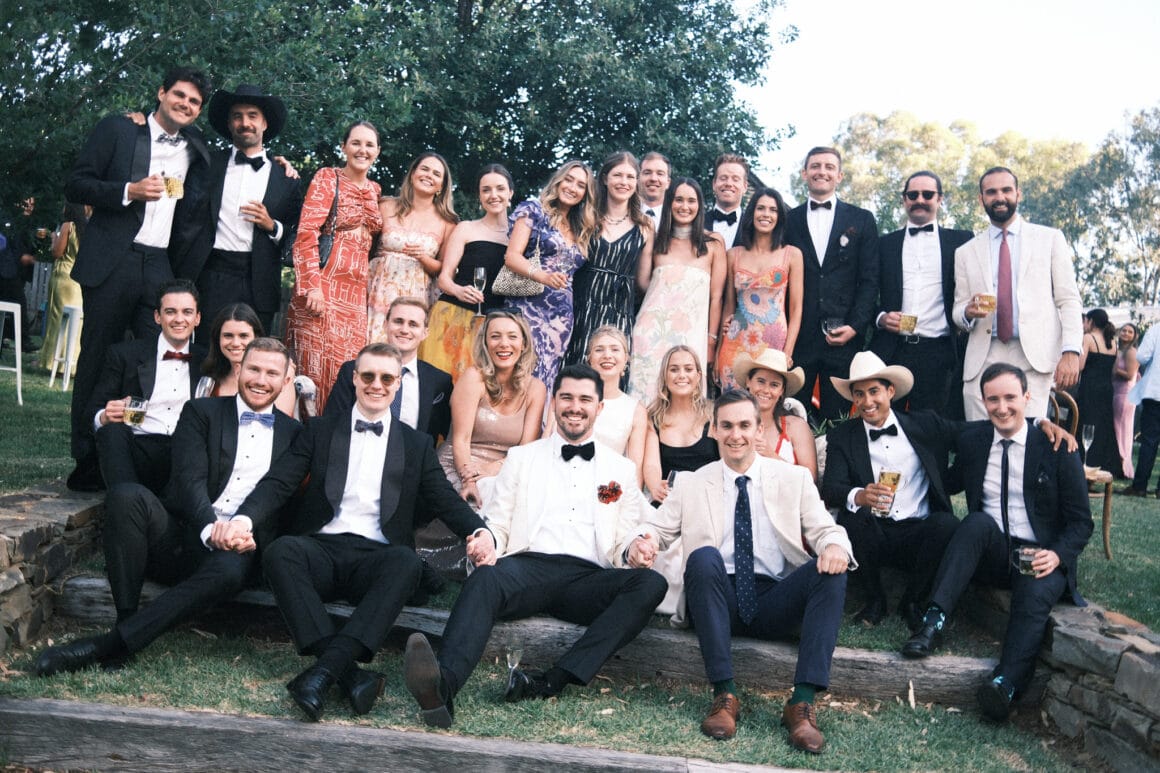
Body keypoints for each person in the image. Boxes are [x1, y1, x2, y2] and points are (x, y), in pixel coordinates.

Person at [235, 342, 495, 721]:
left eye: (387, 378)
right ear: (355, 379)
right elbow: (280, 482)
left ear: (398, 383)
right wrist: (244, 519)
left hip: (377, 560)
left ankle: (322, 674)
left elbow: (443, 498)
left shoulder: (416, 444)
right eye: (368, 376)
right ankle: (350, 675)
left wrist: (481, 531)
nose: (377, 385)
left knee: (406, 563)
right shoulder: (320, 430)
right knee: (280, 552)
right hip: (321, 550)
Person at [403, 364, 667, 728]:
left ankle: (554, 679)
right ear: (554, 403)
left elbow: (627, 533)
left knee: (651, 584)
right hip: (527, 568)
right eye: (567, 398)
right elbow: (498, 523)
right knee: (486, 578)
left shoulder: (618, 470)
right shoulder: (522, 458)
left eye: (585, 399)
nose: (575, 407)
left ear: (599, 408)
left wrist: (633, 549)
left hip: (587, 579)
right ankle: (442, 686)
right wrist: (487, 540)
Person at [34, 338, 301, 676]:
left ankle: (112, 645)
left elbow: (276, 490)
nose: (260, 380)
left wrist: (238, 528)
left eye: (271, 373)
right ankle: (126, 618)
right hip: (184, 533)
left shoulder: (295, 434)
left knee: (230, 572)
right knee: (127, 496)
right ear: (239, 369)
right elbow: (189, 479)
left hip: (237, 550)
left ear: (286, 380)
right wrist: (210, 529)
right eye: (254, 369)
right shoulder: (201, 412)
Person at [621, 390, 853, 753]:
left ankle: (801, 704)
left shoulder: (793, 478)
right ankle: (724, 696)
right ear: (714, 430)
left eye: (745, 425)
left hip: (774, 598)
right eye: (726, 426)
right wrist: (640, 543)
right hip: (716, 598)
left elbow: (827, 530)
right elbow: (656, 529)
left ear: (759, 429)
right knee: (703, 557)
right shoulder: (693, 483)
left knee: (833, 571)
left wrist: (835, 546)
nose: (736, 435)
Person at [902, 363, 1092, 723]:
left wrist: (1057, 555)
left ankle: (1005, 684)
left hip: (1039, 555)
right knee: (975, 523)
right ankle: (933, 623)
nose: (1002, 408)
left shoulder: (1057, 446)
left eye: (1010, 398)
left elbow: (1082, 522)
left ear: (1027, 398)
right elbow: (932, 426)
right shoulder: (974, 439)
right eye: (993, 400)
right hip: (992, 551)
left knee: (1032, 599)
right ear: (983, 402)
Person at [64, 66, 213, 492]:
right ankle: (87, 458)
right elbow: (76, 184)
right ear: (161, 92)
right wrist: (128, 191)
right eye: (179, 95)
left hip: (160, 264)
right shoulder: (119, 129)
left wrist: (281, 164)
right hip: (115, 260)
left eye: (194, 102)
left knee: (160, 359)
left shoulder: (196, 148)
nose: (185, 104)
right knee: (97, 358)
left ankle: (144, 453)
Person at [821, 352, 960, 629]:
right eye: (859, 394)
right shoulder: (843, 436)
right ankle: (875, 600)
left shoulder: (924, 424)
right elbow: (831, 489)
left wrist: (1037, 424)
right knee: (854, 519)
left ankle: (913, 602)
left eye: (874, 391)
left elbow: (970, 433)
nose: (867, 402)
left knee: (946, 524)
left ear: (891, 391)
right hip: (873, 533)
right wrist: (860, 495)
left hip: (916, 530)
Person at [954, 167, 1083, 421]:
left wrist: (1071, 351)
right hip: (983, 358)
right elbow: (958, 310)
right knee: (980, 438)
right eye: (991, 192)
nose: (999, 197)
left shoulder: (1049, 239)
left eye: (1006, 190)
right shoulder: (965, 252)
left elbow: (1068, 300)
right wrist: (967, 312)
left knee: (1028, 438)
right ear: (981, 199)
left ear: (1018, 194)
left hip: (1033, 358)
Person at [172, 84, 302, 336]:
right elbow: (179, 206)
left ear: (265, 123)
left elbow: (298, 235)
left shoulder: (286, 178)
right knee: (204, 350)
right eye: (237, 116)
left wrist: (272, 226)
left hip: (259, 282)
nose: (245, 123)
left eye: (252, 116)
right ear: (229, 124)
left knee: (252, 352)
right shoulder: (205, 164)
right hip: (209, 275)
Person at [284, 121, 383, 415]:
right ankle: (306, 435)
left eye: (369, 145)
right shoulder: (328, 178)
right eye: (356, 143)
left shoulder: (375, 190)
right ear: (344, 147)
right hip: (323, 288)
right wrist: (311, 286)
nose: (362, 150)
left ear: (377, 151)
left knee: (346, 373)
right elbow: (306, 233)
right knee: (313, 375)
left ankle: (335, 439)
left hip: (355, 298)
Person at [785, 146, 879, 422]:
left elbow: (870, 279)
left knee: (838, 421)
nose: (821, 172)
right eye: (815, 166)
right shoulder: (789, 220)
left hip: (843, 337)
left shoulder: (861, 219)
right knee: (792, 414)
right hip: (799, 339)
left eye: (829, 167)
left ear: (840, 175)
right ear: (804, 173)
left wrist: (855, 326)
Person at [871, 171, 973, 415]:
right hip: (893, 348)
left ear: (940, 199)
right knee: (885, 422)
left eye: (927, 194)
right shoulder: (884, 244)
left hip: (938, 352)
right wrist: (881, 318)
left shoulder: (961, 241)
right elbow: (864, 290)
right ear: (904, 199)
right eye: (913, 195)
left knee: (930, 427)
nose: (920, 200)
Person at [89, 279, 206, 493]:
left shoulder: (208, 361)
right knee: (111, 432)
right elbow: (93, 410)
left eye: (187, 312)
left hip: (185, 454)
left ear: (197, 318)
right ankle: (126, 498)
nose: (179, 319)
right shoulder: (125, 354)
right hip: (138, 447)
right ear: (157, 317)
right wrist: (104, 416)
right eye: (170, 312)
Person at [630, 178, 726, 405]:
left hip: (692, 335)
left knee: (686, 400)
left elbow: (717, 298)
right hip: (650, 335)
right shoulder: (656, 240)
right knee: (646, 400)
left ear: (700, 205)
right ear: (669, 203)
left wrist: (712, 341)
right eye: (678, 199)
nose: (685, 206)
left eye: (691, 201)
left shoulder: (713, 243)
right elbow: (643, 285)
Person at [502, 160, 597, 389]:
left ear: (586, 194)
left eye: (580, 185)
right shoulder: (533, 210)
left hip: (561, 317)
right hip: (527, 306)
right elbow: (511, 257)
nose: (572, 188)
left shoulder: (582, 227)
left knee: (546, 377)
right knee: (518, 371)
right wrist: (543, 276)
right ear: (558, 181)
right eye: (569, 180)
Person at [437, 310, 545, 511]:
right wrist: (469, 481)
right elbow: (461, 440)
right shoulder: (473, 378)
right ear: (485, 344)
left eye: (512, 337)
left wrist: (494, 468)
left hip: (503, 471)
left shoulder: (536, 389)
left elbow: (525, 450)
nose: (504, 344)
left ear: (523, 344)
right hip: (459, 466)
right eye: (495, 336)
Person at [564, 151, 654, 379]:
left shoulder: (645, 226)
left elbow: (643, 283)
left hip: (619, 311)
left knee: (613, 375)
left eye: (630, 177)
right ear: (605, 178)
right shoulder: (585, 217)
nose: (624, 182)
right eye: (617, 175)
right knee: (577, 374)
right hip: (581, 308)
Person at [419, 164, 513, 381]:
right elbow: (444, 278)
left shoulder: (519, 236)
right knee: (438, 387)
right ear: (480, 196)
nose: (493, 195)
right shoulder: (466, 228)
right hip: (453, 317)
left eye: (500, 188)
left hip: (492, 327)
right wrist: (458, 291)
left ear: (510, 193)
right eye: (486, 190)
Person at [325, 297, 452, 443]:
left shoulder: (440, 381)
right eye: (398, 321)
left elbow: (451, 436)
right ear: (385, 325)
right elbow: (331, 422)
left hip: (412, 457)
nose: (404, 330)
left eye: (413, 324)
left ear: (425, 333)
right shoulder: (352, 370)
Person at [715, 187, 802, 390]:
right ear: (751, 213)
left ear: (779, 217)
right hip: (735, 344)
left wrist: (788, 351)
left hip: (773, 345)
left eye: (773, 210)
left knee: (765, 400)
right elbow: (728, 306)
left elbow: (796, 309)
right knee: (733, 403)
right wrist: (719, 349)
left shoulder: (792, 255)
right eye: (760, 208)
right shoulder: (733, 254)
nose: (766, 214)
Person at [367, 152, 458, 340]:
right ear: (412, 174)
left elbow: (444, 270)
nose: (429, 175)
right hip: (377, 289)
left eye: (436, 174)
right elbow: (365, 247)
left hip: (416, 295)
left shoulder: (448, 222)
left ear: (441, 186)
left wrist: (423, 258)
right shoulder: (385, 205)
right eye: (424, 169)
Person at [195, 303, 297, 417]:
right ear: (218, 338)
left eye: (243, 336)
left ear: (256, 337)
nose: (235, 343)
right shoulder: (210, 377)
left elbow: (281, 422)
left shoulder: (281, 371)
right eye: (228, 335)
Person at [732, 349, 816, 481]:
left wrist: (771, 456)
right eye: (761, 381)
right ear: (748, 381)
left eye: (774, 385)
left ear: (782, 390)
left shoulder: (796, 426)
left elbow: (811, 480)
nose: (766, 390)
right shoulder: (732, 423)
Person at [37, 202, 89, 374]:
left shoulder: (68, 226)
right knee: (75, 323)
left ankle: (52, 362)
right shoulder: (86, 228)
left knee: (57, 319)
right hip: (78, 278)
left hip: (64, 276)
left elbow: (57, 253)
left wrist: (54, 237)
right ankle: (72, 364)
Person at [1076, 309, 1121, 474]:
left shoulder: (1088, 338)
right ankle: (1099, 463)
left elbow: (1080, 365)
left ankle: (1083, 461)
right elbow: (1114, 371)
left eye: (1086, 321)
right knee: (1102, 426)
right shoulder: (1113, 342)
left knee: (1085, 423)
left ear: (1091, 321)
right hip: (1107, 389)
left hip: (1090, 389)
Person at [1123, 323, 1160, 497]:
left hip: (1155, 392)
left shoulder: (1156, 329)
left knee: (1149, 442)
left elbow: (1143, 356)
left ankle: (1139, 486)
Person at [1112, 323, 1140, 480]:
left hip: (1125, 395)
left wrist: (1113, 369)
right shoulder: (1121, 350)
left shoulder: (1131, 352)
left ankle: (1124, 467)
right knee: (1119, 430)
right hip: (1118, 393)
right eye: (1124, 330)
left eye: (1130, 332)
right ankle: (1119, 465)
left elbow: (1130, 375)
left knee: (1122, 431)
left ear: (1135, 336)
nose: (1126, 333)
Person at [704, 153, 748, 248]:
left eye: (735, 179)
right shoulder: (697, 223)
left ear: (745, 186)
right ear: (714, 184)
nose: (728, 183)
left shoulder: (753, 227)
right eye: (723, 178)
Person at [639, 151, 672, 230]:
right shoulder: (624, 214)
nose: (653, 178)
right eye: (647, 173)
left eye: (660, 174)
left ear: (668, 182)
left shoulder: (676, 218)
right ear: (637, 179)